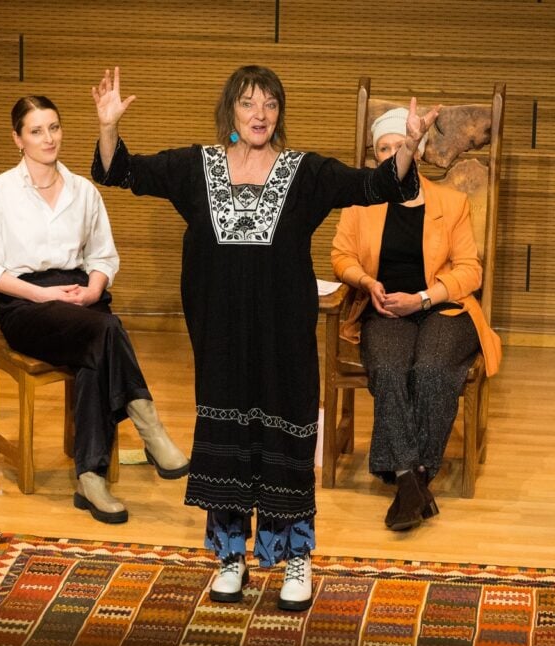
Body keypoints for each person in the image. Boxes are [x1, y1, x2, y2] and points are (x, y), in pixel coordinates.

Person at [91, 65, 424, 610]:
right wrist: (107, 127)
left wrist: (407, 148)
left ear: (280, 113)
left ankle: (296, 556)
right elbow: (122, 171)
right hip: (218, 335)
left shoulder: (305, 172)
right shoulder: (194, 167)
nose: (260, 115)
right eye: (248, 104)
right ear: (232, 112)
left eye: (270, 104)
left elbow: (375, 185)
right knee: (226, 438)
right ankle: (230, 555)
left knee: (285, 436)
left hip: (285, 335)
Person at [0, 96, 188, 525]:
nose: (47, 138)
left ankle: (91, 477)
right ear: (17, 139)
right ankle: (150, 429)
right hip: (27, 305)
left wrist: (92, 290)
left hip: (82, 301)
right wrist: (45, 297)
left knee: (96, 344)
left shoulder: (84, 191)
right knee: (106, 331)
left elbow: (104, 257)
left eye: (54, 127)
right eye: (36, 130)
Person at [330, 108, 502, 531]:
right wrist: (367, 282)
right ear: (375, 158)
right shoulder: (360, 202)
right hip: (386, 306)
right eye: (383, 149)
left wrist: (424, 297)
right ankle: (412, 477)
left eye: (400, 147)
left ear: (418, 151)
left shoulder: (451, 203)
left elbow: (470, 270)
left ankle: (410, 472)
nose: (392, 156)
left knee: (431, 368)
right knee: (388, 367)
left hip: (443, 307)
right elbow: (340, 257)